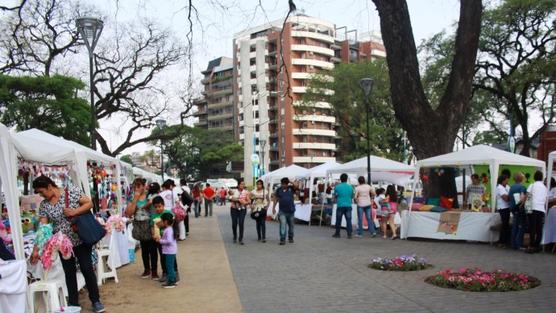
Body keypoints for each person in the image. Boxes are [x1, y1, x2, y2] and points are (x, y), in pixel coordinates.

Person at [30, 176, 105, 313]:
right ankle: (73, 303)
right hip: (62, 244)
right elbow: (43, 228)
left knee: (87, 268)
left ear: (49, 186)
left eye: (41, 191)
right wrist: (36, 249)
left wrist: (74, 211)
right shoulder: (44, 205)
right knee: (69, 272)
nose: (41, 195)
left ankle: (95, 300)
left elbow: (89, 203)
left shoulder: (71, 191)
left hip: (80, 238)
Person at [126, 178, 158, 280]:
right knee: (144, 249)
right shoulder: (132, 198)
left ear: (144, 186)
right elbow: (129, 213)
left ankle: (154, 271)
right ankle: (146, 269)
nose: (137, 188)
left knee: (152, 249)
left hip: (150, 224)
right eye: (135, 186)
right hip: (139, 226)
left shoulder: (150, 195)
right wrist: (135, 199)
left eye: (139, 186)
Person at [151, 196, 179, 283]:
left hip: (168, 240)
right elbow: (152, 227)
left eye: (159, 206)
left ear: (163, 205)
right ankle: (165, 273)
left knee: (171, 258)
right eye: (156, 207)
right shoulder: (154, 216)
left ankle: (175, 273)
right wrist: (154, 235)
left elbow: (173, 223)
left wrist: (161, 225)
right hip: (160, 241)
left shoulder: (168, 213)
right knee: (163, 257)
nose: (158, 209)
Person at [526, 171, 547, 253]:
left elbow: (527, 195)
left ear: (534, 177)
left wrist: (522, 204)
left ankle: (531, 245)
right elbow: (545, 199)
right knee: (539, 228)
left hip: (533, 208)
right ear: (541, 177)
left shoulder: (532, 185)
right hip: (541, 209)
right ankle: (537, 245)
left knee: (532, 227)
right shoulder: (545, 187)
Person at [272, 177, 297, 245]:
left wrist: (290, 181)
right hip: (282, 211)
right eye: (282, 184)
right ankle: (282, 239)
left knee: (291, 225)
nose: (283, 185)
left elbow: (296, 186)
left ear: (287, 184)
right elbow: (276, 199)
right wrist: (273, 208)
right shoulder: (279, 190)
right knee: (283, 224)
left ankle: (290, 237)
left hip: (291, 211)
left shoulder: (291, 188)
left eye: (285, 184)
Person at [157, 212, 178, 288]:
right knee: (170, 266)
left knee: (169, 266)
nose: (161, 223)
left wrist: (160, 241)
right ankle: (173, 279)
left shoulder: (168, 230)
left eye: (162, 221)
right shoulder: (170, 229)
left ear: (165, 221)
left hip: (169, 251)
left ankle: (171, 281)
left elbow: (169, 241)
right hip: (170, 251)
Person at [508, 173, 527, 250]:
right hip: (519, 209)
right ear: (522, 179)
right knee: (521, 226)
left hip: (512, 208)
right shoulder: (522, 187)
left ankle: (513, 244)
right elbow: (522, 197)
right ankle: (518, 244)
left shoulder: (511, 187)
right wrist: (522, 203)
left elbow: (509, 197)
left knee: (515, 226)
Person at [333, 173, 354, 239]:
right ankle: (349, 234)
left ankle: (337, 233)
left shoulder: (337, 187)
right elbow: (352, 196)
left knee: (338, 220)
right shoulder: (350, 187)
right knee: (348, 220)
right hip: (348, 205)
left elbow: (335, 196)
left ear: (340, 179)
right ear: (347, 179)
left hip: (340, 205)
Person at [229, 180, 250, 245]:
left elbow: (249, 201)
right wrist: (239, 200)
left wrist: (245, 202)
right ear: (238, 185)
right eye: (241, 184)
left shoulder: (246, 192)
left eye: (243, 184)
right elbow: (230, 198)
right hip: (234, 209)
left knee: (241, 222)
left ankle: (241, 238)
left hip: (242, 209)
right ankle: (235, 236)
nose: (242, 185)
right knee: (234, 223)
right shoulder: (234, 191)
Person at [496, 175, 511, 247]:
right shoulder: (499, 187)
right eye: (506, 180)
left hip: (507, 207)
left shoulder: (507, 187)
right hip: (503, 208)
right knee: (504, 224)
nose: (507, 182)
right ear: (503, 181)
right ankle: (501, 241)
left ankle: (504, 240)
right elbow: (506, 198)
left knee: (506, 224)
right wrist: (511, 197)